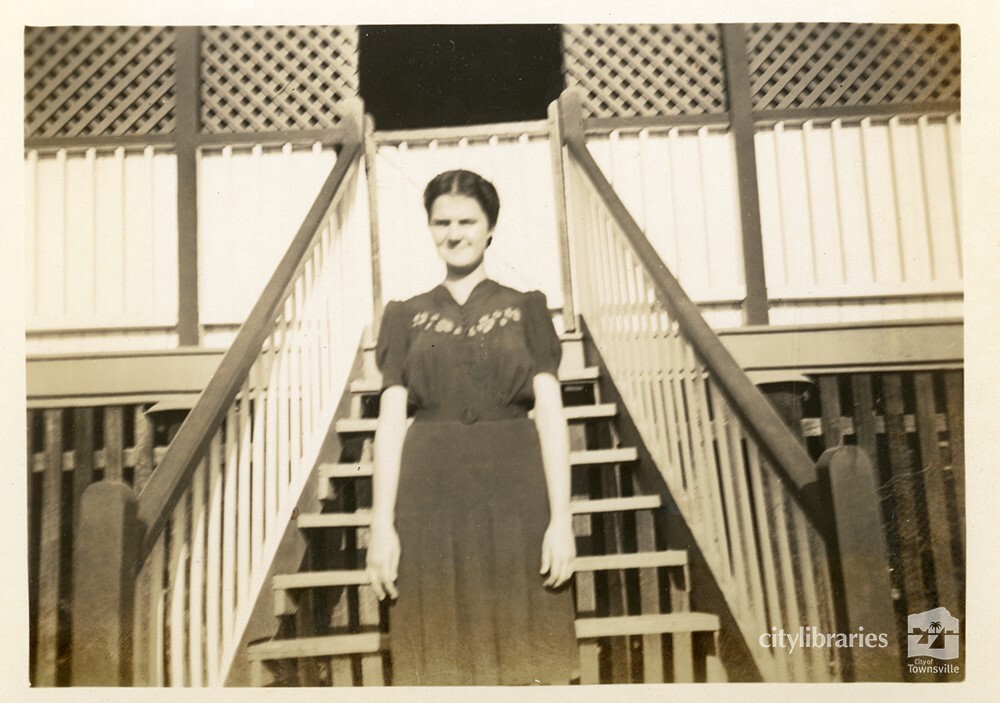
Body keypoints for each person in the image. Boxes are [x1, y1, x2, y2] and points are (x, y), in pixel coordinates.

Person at [364, 169, 579, 685]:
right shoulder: (405, 316)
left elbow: (550, 415)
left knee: (524, 638)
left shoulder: (525, 308)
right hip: (429, 494)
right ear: (430, 228)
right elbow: (390, 425)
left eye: (467, 221)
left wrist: (561, 519)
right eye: (442, 222)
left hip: (515, 491)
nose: (454, 233)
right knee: (437, 642)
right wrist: (380, 523)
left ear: (490, 229)